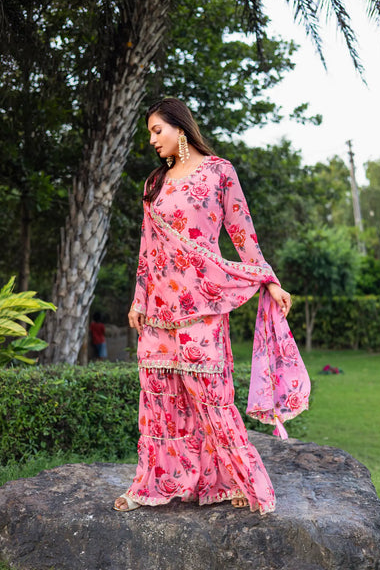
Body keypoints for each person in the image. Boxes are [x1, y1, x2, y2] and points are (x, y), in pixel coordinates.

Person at [113, 98, 310, 514]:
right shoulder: (154, 183)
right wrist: (138, 298)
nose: (152, 140)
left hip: (202, 301)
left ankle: (236, 481)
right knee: (161, 400)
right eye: (149, 133)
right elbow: (147, 248)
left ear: (180, 128)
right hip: (158, 308)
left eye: (157, 131)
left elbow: (242, 232)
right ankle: (154, 484)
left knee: (211, 396)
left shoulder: (219, 172)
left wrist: (270, 280)